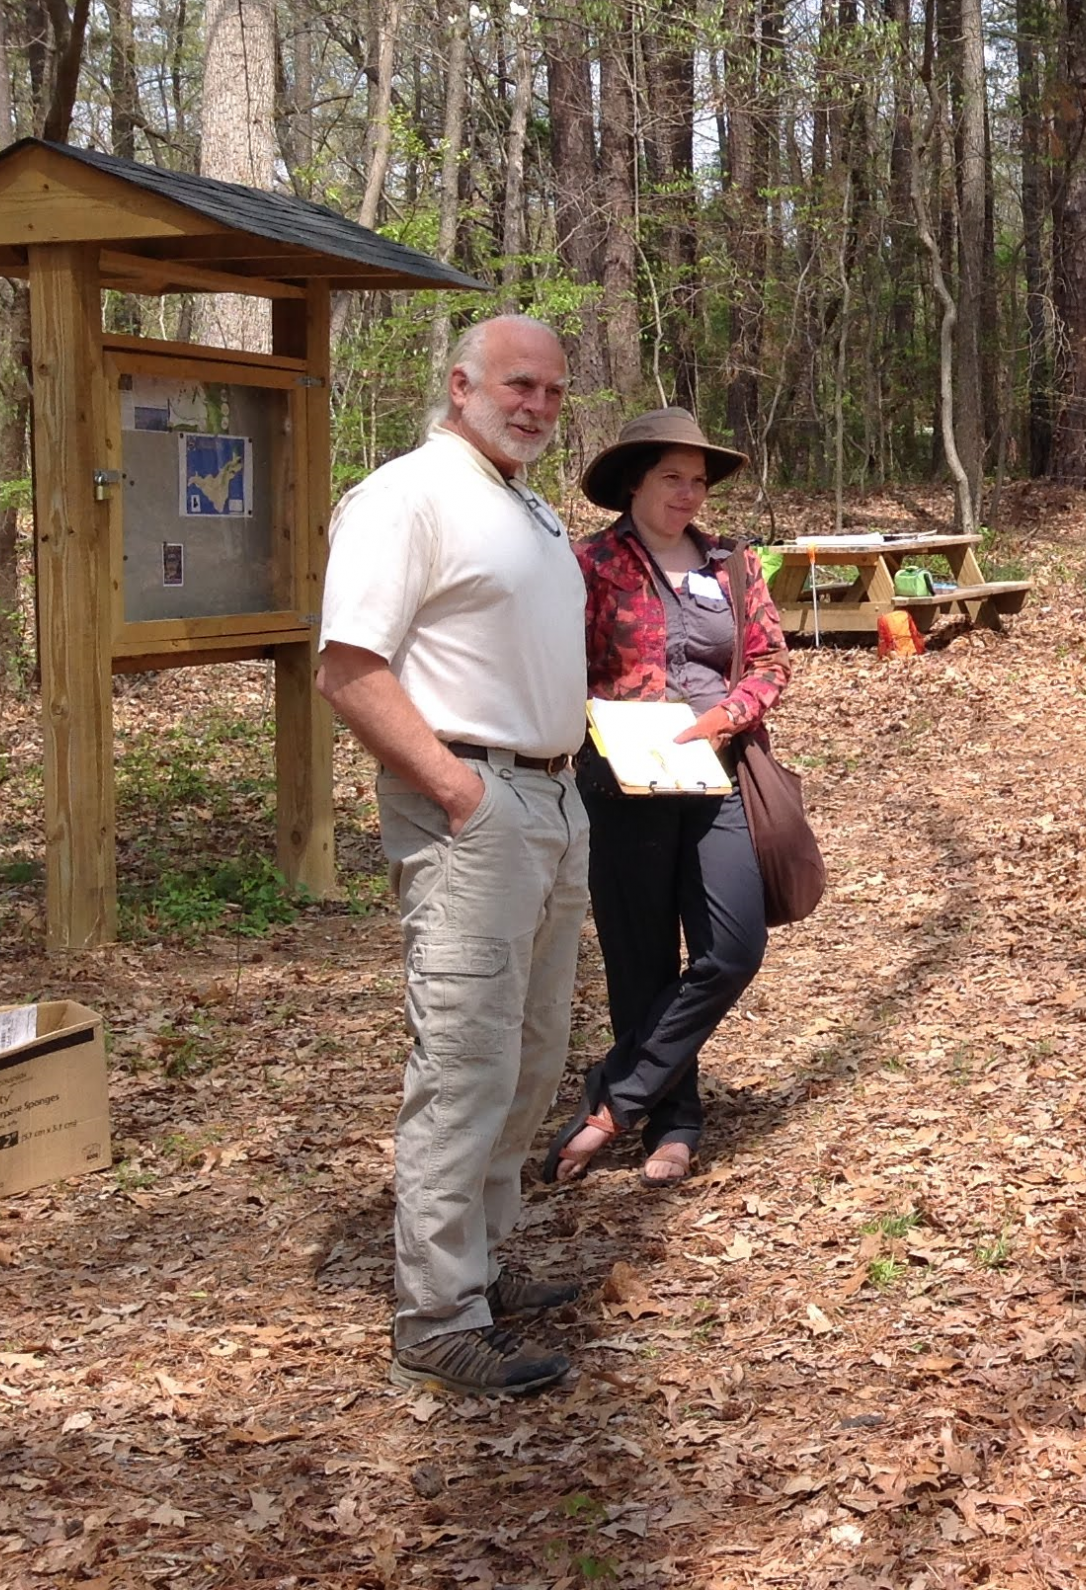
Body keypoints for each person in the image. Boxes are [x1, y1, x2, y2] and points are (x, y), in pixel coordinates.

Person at [317, 315, 591, 1400]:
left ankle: (476, 1264)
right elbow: (348, 667)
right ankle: (436, 1313)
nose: (536, 404)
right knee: (465, 1062)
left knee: (530, 1054)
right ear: (461, 383)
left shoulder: (522, 503)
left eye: (554, 392)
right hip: (476, 803)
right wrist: (459, 791)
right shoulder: (407, 494)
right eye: (518, 384)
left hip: (555, 797)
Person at [547, 408, 790, 1186]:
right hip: (620, 782)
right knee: (639, 960)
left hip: (717, 776)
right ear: (633, 483)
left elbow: (771, 660)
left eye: (698, 480)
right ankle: (674, 1122)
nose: (689, 494)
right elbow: (556, 666)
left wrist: (726, 716)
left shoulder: (731, 564)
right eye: (671, 478)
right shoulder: (586, 565)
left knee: (731, 948)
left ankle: (616, 1098)